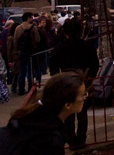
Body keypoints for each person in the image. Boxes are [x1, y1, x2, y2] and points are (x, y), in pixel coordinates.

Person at [0, 72, 87, 154]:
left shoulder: (34, 116)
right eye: (83, 94)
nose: (85, 97)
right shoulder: (50, 140)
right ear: (67, 105)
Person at [50, 18, 98, 148]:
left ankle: (71, 140)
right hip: (83, 81)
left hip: (66, 83)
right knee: (82, 112)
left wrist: (58, 77)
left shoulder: (60, 48)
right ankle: (81, 139)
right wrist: (91, 77)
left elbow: (53, 65)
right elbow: (95, 63)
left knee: (68, 113)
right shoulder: (86, 46)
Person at [14, 14, 39, 96]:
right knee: (30, 70)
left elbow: (15, 40)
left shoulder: (18, 28)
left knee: (22, 70)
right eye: (31, 17)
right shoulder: (33, 28)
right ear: (28, 18)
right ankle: (30, 88)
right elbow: (37, 39)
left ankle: (21, 89)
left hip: (22, 52)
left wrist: (18, 49)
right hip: (31, 51)